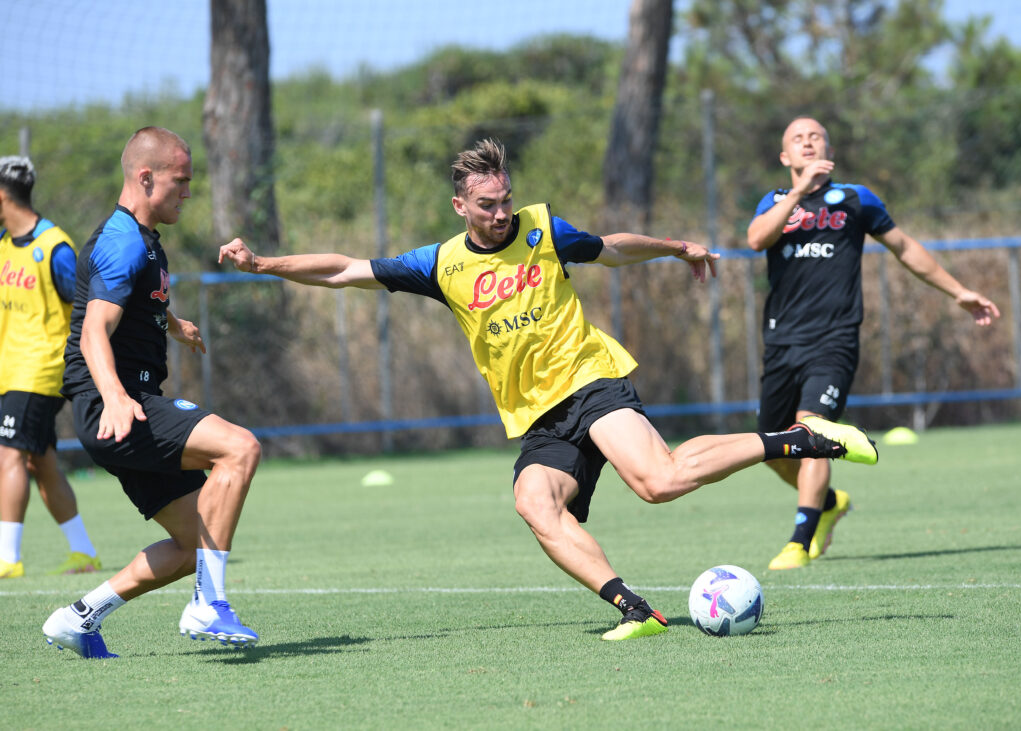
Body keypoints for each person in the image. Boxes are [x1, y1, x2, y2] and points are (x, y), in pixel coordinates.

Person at [219, 137, 878, 641]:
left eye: (506, 198)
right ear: (460, 207)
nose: (502, 212)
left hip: (591, 380)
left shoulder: (541, 230)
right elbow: (343, 270)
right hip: (539, 414)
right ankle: (634, 608)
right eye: (487, 204)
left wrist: (676, 246)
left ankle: (792, 439)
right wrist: (264, 264)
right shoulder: (440, 263)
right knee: (534, 502)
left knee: (660, 481)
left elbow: (611, 247)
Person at [42, 127, 263, 658]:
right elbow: (95, 329)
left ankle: (79, 618)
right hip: (117, 407)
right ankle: (209, 604)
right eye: (180, 181)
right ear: (145, 178)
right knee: (240, 447)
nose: (188, 191)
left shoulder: (137, 238)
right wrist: (117, 398)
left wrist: (173, 323)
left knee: (193, 543)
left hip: (120, 407)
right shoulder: (122, 241)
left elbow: (134, 304)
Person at [747, 116, 1000, 571]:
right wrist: (800, 193)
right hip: (782, 340)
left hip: (834, 338)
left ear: (828, 148)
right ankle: (829, 503)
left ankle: (800, 539)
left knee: (813, 428)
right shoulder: (776, 200)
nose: (807, 142)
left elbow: (904, 247)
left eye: (815, 137)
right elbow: (755, 239)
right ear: (785, 157)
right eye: (797, 139)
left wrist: (958, 290)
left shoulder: (855, 199)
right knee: (772, 445)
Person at [0, 156, 102, 579]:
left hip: (40, 369)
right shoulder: (4, 243)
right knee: (40, 462)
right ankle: (84, 552)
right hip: (11, 369)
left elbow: (89, 306)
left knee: (7, 455)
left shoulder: (55, 247)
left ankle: (7, 557)